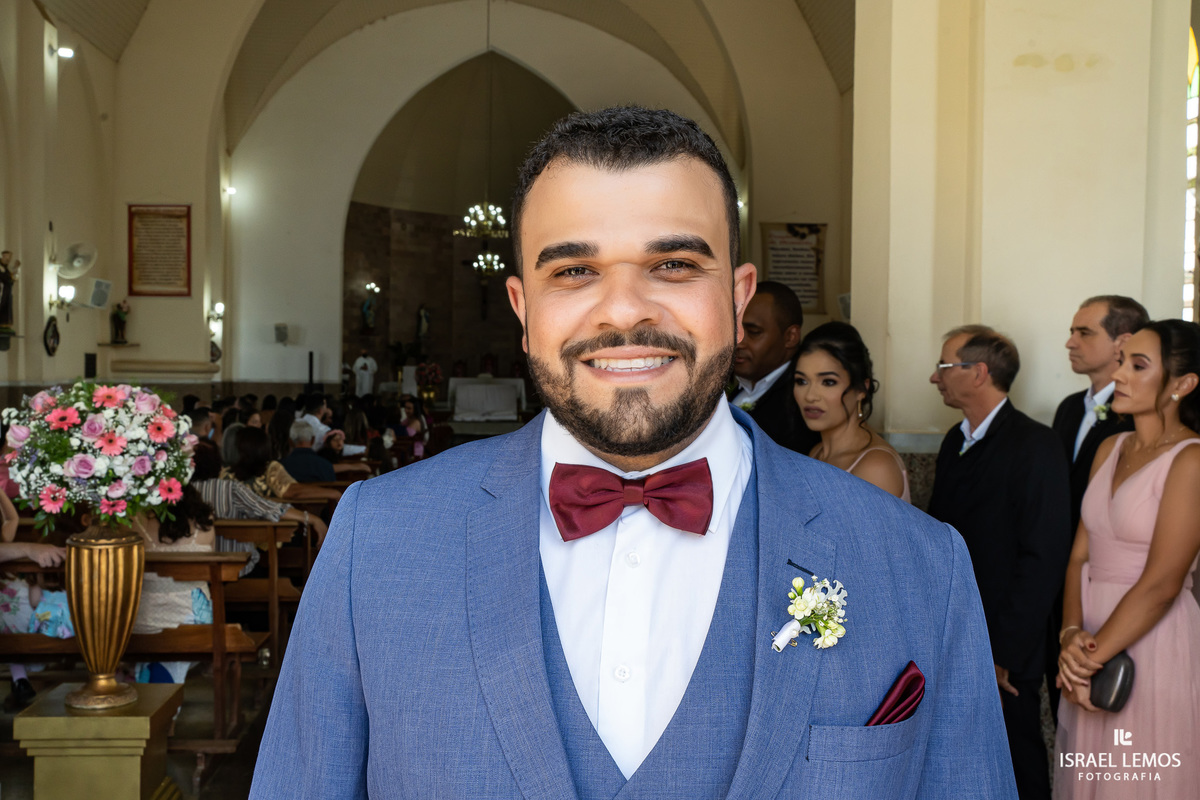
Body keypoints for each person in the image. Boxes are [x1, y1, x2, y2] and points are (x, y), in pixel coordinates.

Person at [251, 106, 1015, 798]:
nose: (622, 309)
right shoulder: (377, 542)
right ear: (524, 307)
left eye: (674, 265)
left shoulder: (920, 566)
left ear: (739, 297)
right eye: (575, 270)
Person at [1054, 320, 1200, 799]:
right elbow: (1079, 555)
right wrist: (1071, 635)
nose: (1120, 375)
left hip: (1151, 643)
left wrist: (1085, 663)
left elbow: (1162, 583)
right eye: (1121, 361)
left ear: (1182, 384)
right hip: (1092, 637)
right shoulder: (1108, 447)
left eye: (1138, 365)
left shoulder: (1191, 460)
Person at [927, 324, 1072, 800]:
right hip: (954, 633)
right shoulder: (955, 440)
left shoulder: (1036, 444)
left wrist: (1002, 653)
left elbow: (1043, 555)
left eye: (945, 366)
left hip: (1006, 647)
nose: (934, 377)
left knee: (1016, 758)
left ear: (979, 372)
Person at [1047, 295, 1148, 720]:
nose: (1070, 341)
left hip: (1123, 586)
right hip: (1066, 578)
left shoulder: (1137, 418)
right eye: (1072, 330)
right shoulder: (1070, 408)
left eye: (1083, 332)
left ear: (1121, 341)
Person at [793, 321, 909, 501]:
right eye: (802, 381)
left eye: (828, 382)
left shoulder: (876, 466)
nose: (810, 396)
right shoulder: (818, 452)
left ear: (862, 388)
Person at [729, 281, 820, 455]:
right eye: (736, 329)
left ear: (791, 337)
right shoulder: (742, 384)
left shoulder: (801, 401)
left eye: (754, 332)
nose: (738, 342)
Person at [222, 426, 339, 504]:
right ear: (262, 448)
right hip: (267, 536)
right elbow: (292, 491)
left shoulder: (223, 473)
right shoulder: (270, 469)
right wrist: (334, 493)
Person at [0, 250, 19, 330]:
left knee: (7, 308)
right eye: (7, 258)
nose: (8, 260)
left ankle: (5, 322)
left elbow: (10, 277)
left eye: (9, 258)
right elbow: (4, 277)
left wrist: (15, 269)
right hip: (2, 291)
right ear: (3, 256)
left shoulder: (6, 267)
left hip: (7, 291)